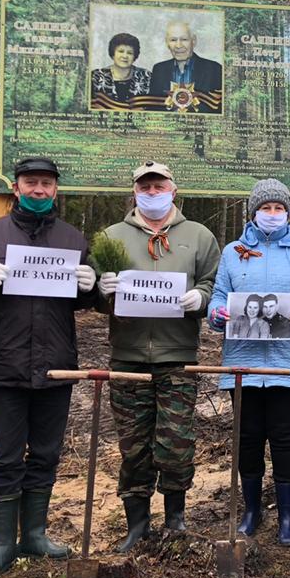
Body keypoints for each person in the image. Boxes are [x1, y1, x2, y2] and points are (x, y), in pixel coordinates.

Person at [0, 156, 97, 575]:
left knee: (47, 452)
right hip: (8, 363)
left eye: (46, 184)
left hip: (57, 363)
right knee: (6, 455)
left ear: (56, 190)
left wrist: (90, 288)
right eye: (31, 183)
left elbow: (84, 300)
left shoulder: (72, 239)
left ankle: (34, 534)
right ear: (16, 188)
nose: (39, 190)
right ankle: (3, 544)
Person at [95, 162, 220, 550]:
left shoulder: (198, 236)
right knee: (133, 445)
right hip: (128, 356)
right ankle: (137, 524)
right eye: (145, 188)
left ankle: (176, 519)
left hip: (177, 355)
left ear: (173, 190)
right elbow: (92, 293)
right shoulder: (111, 236)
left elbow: (215, 285)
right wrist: (101, 288)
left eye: (158, 186)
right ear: (134, 192)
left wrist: (201, 297)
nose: (152, 193)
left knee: (176, 442)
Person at [207, 179, 290, 545]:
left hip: (287, 363)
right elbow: (218, 296)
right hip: (242, 363)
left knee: (284, 437)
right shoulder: (233, 251)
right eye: (266, 208)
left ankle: (288, 516)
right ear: (253, 213)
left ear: (288, 214)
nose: (272, 214)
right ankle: (251, 510)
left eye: (279, 208)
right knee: (247, 439)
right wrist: (216, 314)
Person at [147, 20, 223, 112]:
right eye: (173, 40)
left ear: (194, 41)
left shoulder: (214, 69)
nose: (178, 45)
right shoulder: (159, 70)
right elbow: (154, 108)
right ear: (167, 43)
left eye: (184, 39)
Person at [90, 32, 151, 110]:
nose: (125, 56)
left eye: (130, 53)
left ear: (135, 56)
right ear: (113, 53)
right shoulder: (96, 76)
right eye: (121, 51)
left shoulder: (146, 76)